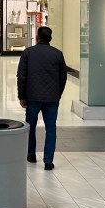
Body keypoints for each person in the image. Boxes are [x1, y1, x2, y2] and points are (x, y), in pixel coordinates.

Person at [16, 26, 67, 170]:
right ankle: (48, 161)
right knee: (51, 128)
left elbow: (22, 76)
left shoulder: (28, 52)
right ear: (50, 38)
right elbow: (63, 77)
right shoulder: (58, 54)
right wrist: (58, 94)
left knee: (30, 126)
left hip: (32, 97)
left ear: (37, 37)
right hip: (52, 98)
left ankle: (31, 154)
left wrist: (22, 96)